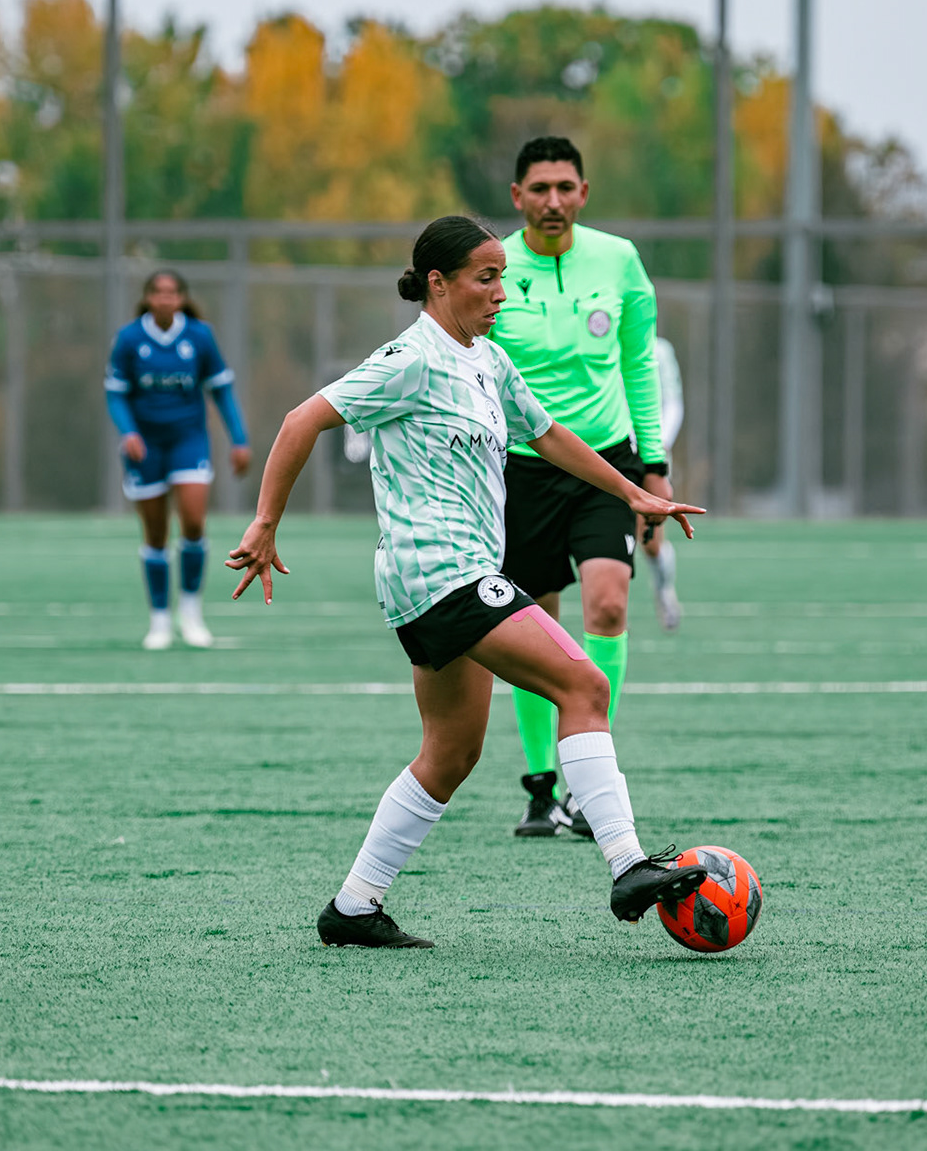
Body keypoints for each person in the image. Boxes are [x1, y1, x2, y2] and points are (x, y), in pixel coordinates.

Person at [226, 215, 707, 949]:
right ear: (438, 283)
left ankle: (353, 907)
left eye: (503, 278)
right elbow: (301, 420)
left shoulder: (487, 360)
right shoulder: (409, 359)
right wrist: (265, 523)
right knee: (584, 686)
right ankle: (627, 863)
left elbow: (547, 435)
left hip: (446, 575)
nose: (500, 292)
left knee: (451, 752)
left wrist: (633, 490)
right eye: (486, 278)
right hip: (440, 569)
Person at [490, 135, 670, 839]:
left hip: (605, 465)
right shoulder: (494, 266)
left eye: (566, 187)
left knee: (608, 601)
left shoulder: (619, 261)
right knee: (537, 625)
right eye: (540, 188)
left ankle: (587, 784)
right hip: (522, 468)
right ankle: (541, 785)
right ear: (518, 198)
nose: (554, 201)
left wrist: (651, 464)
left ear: (584, 193)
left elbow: (638, 367)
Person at [105, 269, 251, 650]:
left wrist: (239, 439)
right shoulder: (130, 339)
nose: (166, 298)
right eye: (158, 292)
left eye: (173, 292)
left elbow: (222, 391)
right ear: (148, 298)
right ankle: (159, 619)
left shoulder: (200, 336)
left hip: (189, 442)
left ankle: (190, 612)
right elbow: (116, 395)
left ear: (182, 297)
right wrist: (129, 432)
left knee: (192, 521)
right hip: (146, 447)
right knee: (155, 534)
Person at [641, 335, 685, 632]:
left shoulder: (660, 350)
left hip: (647, 456)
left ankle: (664, 589)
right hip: (605, 453)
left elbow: (672, 402)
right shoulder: (599, 341)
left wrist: (660, 445)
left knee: (651, 543)